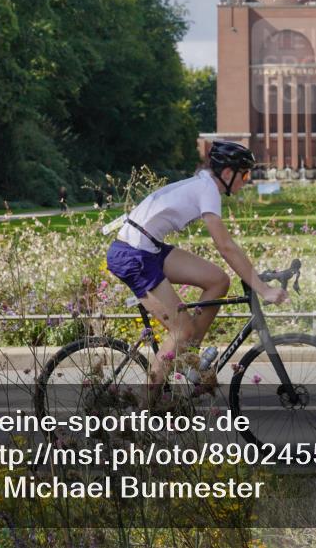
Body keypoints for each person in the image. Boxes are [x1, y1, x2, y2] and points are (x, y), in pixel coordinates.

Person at [105, 141, 288, 387]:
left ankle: (190, 358)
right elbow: (225, 246)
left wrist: (254, 277)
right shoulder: (208, 190)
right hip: (133, 254)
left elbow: (227, 249)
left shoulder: (204, 184)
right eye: (244, 174)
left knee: (218, 280)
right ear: (226, 173)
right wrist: (262, 289)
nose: (246, 180)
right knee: (182, 331)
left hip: (149, 248)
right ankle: (145, 407)